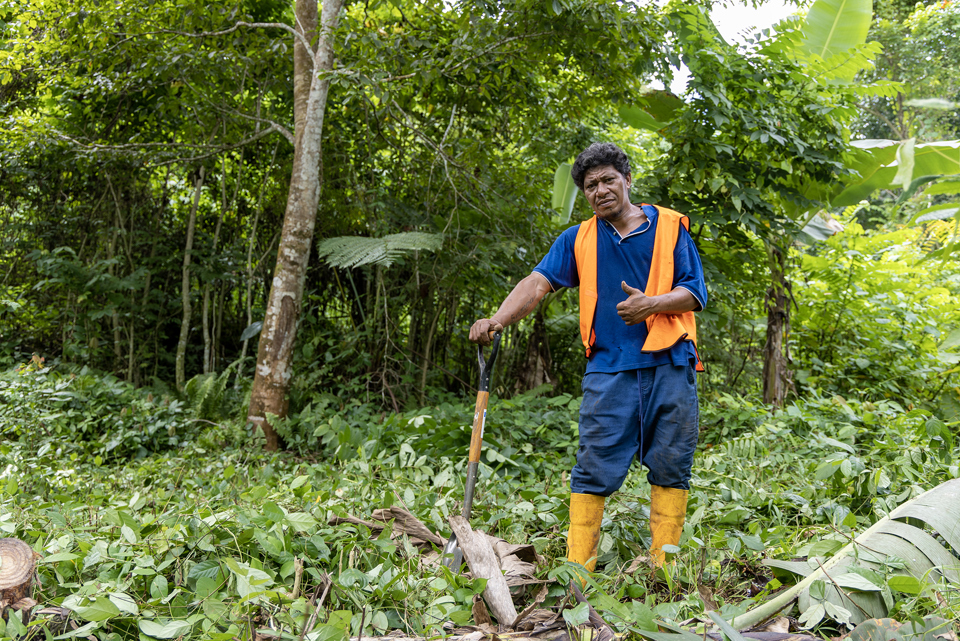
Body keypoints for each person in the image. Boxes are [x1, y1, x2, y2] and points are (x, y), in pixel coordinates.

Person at [469, 142, 707, 573]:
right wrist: (498, 319)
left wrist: (651, 305)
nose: (599, 190)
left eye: (607, 180)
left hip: (670, 364)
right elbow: (537, 283)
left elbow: (695, 292)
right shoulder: (577, 238)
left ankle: (663, 568)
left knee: (672, 464)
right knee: (593, 465)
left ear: (627, 180)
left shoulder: (671, 227)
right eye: (590, 185)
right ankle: (579, 571)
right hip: (608, 370)